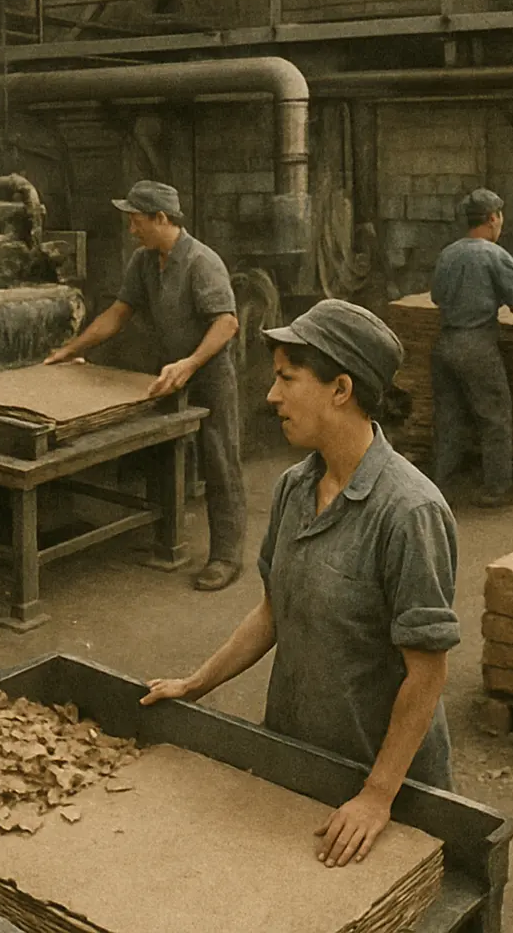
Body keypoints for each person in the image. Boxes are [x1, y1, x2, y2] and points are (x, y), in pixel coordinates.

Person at [141, 299, 460, 868]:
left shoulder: (409, 513)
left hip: (381, 780)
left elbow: (427, 673)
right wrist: (196, 683)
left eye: (288, 378)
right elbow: (273, 611)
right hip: (297, 754)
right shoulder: (294, 487)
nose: (271, 395)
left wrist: (377, 796)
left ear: (341, 389)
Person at [45, 180, 246, 591]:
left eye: (137, 221)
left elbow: (227, 322)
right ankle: (165, 539)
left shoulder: (201, 262)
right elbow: (118, 313)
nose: (131, 229)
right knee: (163, 450)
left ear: (161, 218)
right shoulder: (143, 261)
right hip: (169, 371)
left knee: (219, 460)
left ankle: (226, 556)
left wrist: (191, 363)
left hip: (207, 372)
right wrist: (70, 349)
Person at [431, 188, 513, 508]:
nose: (501, 223)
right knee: (494, 416)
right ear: (492, 219)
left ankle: (438, 489)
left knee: (449, 419)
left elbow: (436, 298)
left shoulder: (448, 253)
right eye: (500, 216)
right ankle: (497, 489)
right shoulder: (494, 255)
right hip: (476, 346)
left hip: (444, 344)